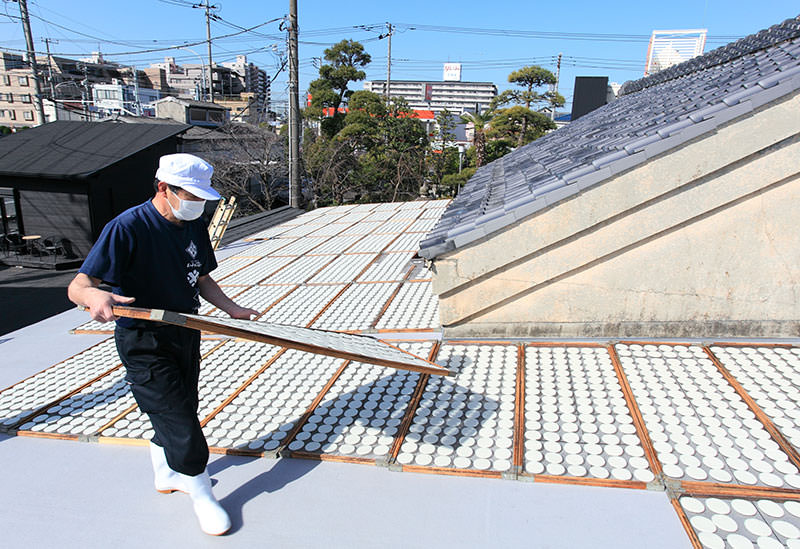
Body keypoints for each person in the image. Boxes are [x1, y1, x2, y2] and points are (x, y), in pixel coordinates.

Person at [68, 153, 258, 536]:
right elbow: (78, 285)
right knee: (181, 421)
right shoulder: (127, 228)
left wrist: (232, 308)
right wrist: (96, 298)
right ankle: (201, 493)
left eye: (202, 199)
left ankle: (165, 474)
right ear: (163, 188)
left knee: (183, 405)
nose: (197, 205)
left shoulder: (193, 226)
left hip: (186, 328)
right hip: (144, 338)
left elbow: (201, 277)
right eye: (190, 196)